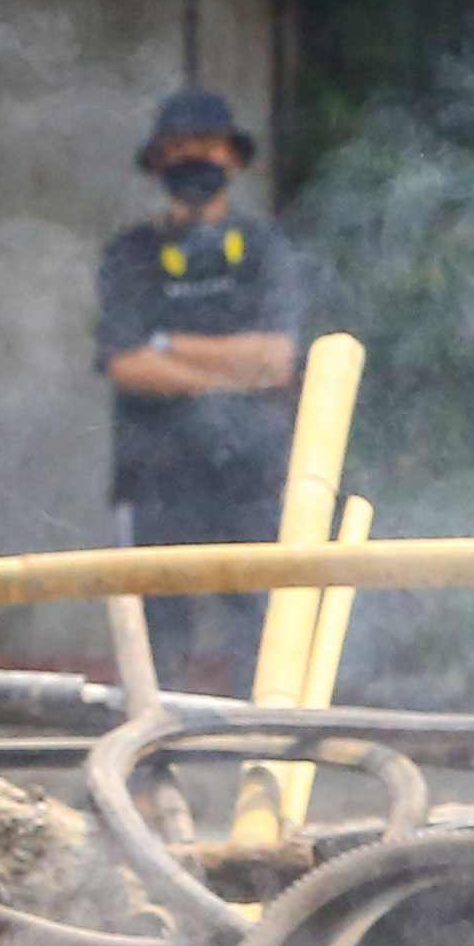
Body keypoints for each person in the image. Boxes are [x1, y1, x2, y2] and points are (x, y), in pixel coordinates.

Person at [96, 87, 314, 694]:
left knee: (261, 621)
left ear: (233, 159)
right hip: (155, 474)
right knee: (157, 625)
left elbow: (276, 361)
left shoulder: (267, 251)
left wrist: (169, 345)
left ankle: (262, 756)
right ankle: (147, 758)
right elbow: (125, 362)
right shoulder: (131, 253)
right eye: (179, 149)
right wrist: (228, 375)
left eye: (206, 147)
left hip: (253, 470)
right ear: (158, 162)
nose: (194, 160)